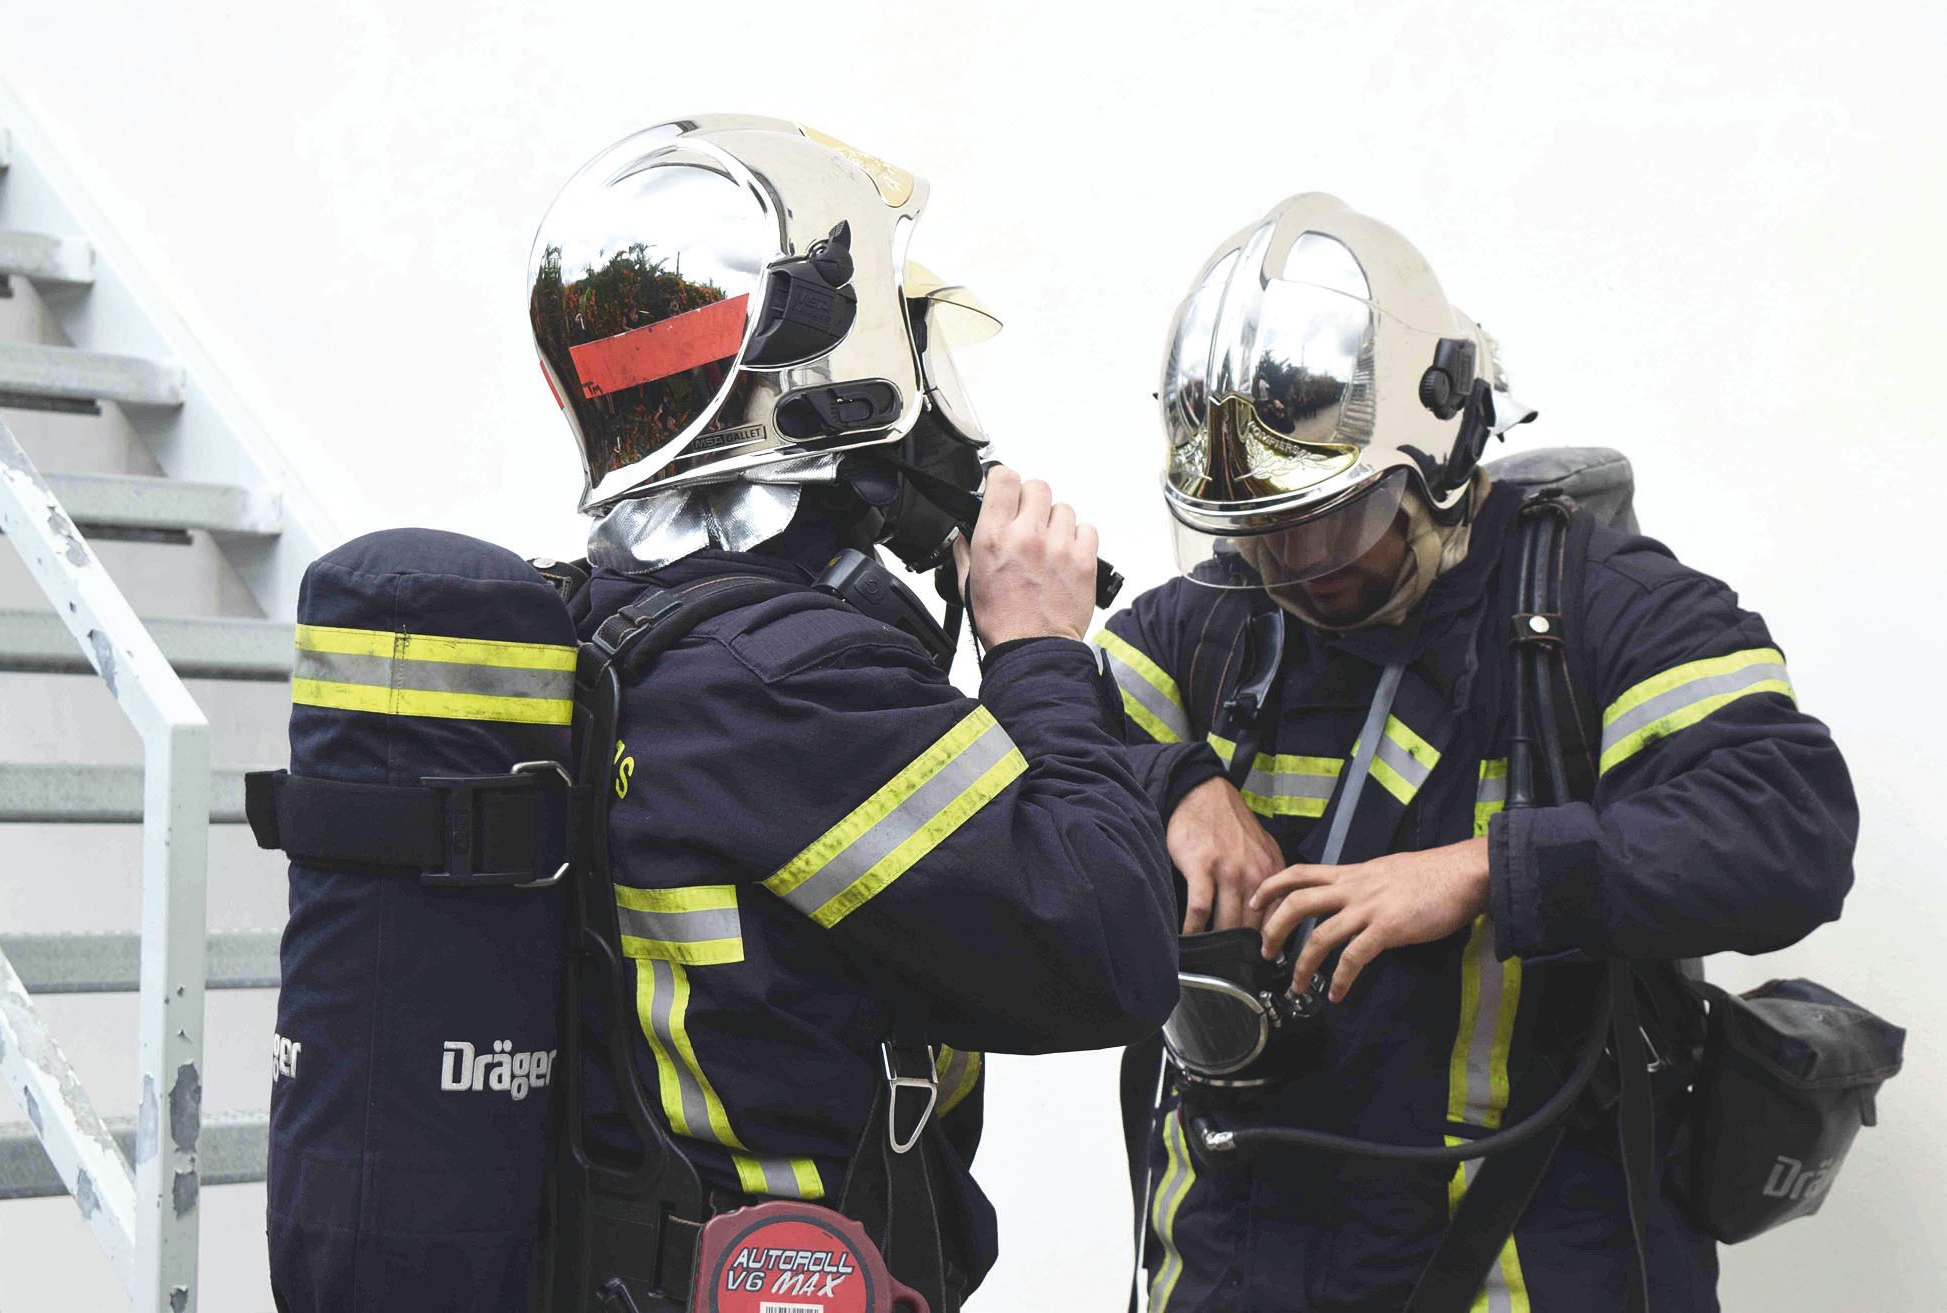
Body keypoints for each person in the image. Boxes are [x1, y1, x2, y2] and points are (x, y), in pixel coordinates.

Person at [1099, 193, 1857, 1312]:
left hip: (1524, 1268)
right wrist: (1175, 780)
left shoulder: (1605, 612)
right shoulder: (1211, 625)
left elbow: (1784, 826)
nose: (1295, 573)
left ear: (1441, 452)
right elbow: (1037, 736)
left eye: (1332, 525)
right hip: (1231, 1266)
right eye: (1257, 532)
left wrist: (1486, 871)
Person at [531, 117, 1179, 1309]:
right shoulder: (793, 686)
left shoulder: (615, 628)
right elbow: (1112, 950)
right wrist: (1036, 649)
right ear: (829, 388)